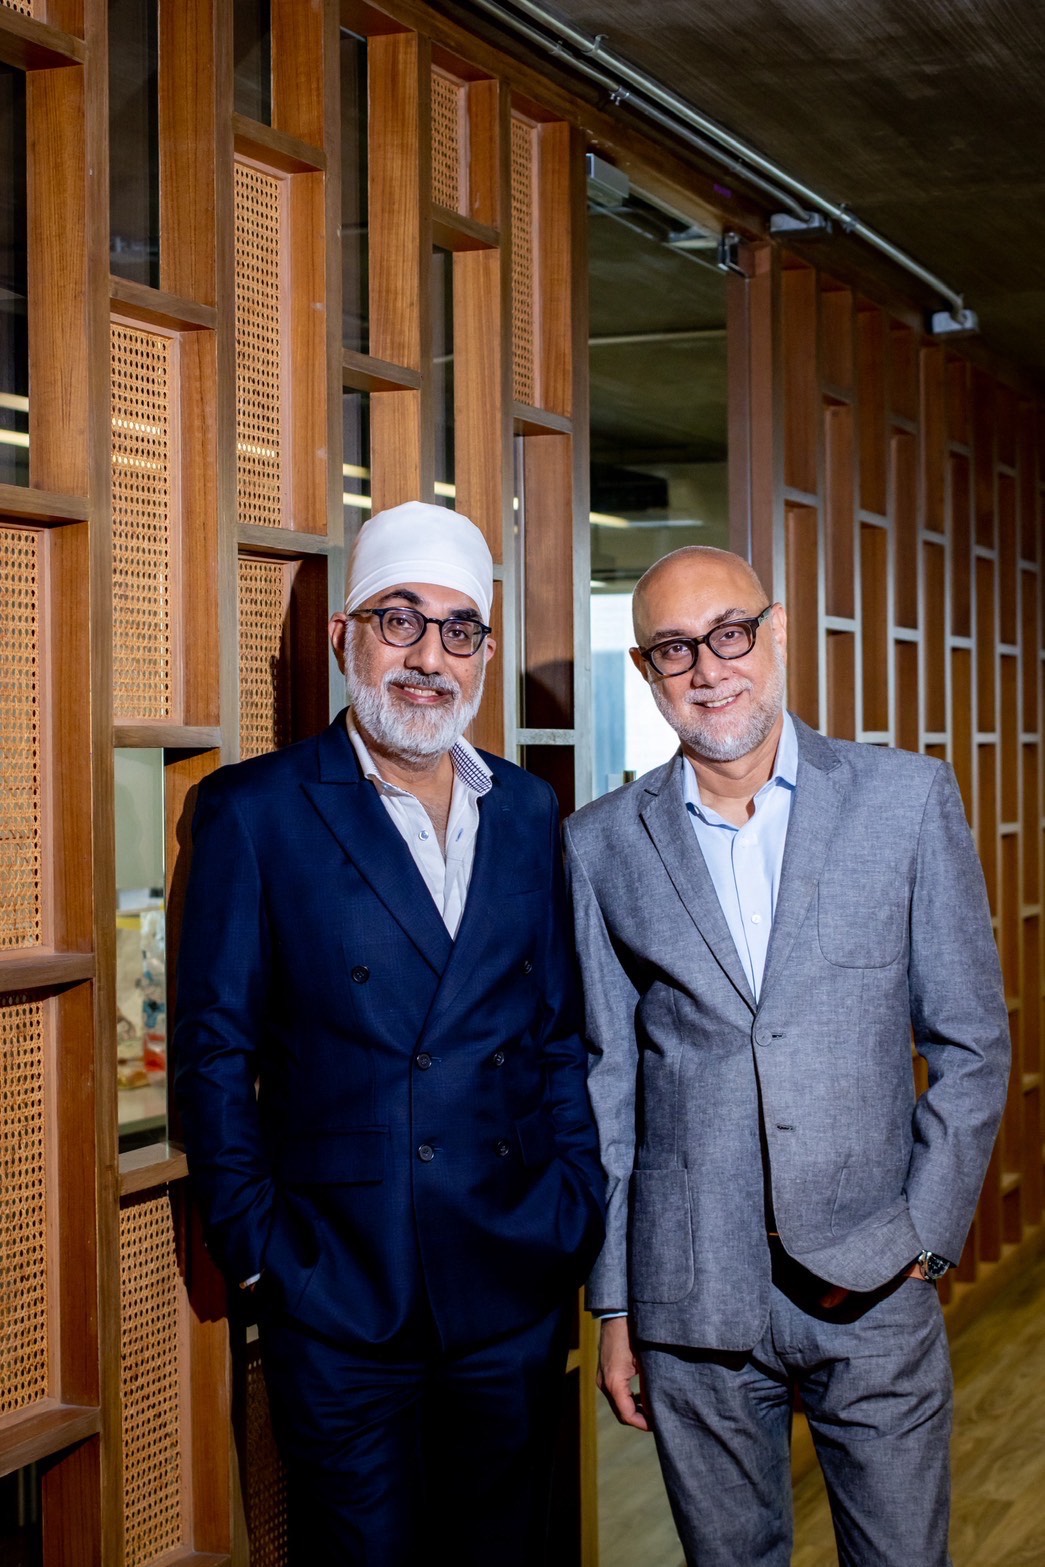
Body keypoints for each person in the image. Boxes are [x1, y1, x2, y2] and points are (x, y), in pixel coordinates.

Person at [174, 501, 604, 1566]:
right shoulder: (255, 811)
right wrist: (260, 1254)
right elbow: (213, 1053)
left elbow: (556, 1034)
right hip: (341, 1287)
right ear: (344, 638)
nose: (428, 657)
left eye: (459, 629)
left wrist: (573, 1204)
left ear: (485, 652)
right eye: (399, 620)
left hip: (511, 1276)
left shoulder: (526, 810)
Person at [564, 545, 1010, 1566]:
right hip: (689, 1299)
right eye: (674, 649)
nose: (707, 670)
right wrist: (616, 1302)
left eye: (729, 634)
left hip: (875, 1278)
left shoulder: (903, 799)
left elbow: (972, 1042)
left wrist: (925, 1236)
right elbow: (609, 1085)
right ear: (645, 671)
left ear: (775, 631)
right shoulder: (600, 844)